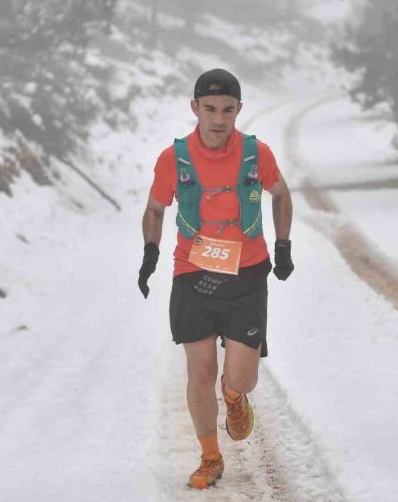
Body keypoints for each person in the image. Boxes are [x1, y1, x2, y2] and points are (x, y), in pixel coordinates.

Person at [137, 68, 294, 488]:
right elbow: (155, 209)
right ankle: (210, 456)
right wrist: (150, 253)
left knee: (242, 377)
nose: (218, 119)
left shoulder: (256, 154)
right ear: (195, 108)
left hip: (247, 273)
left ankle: (234, 395)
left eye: (227, 109)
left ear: (239, 110)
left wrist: (283, 245)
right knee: (200, 372)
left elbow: (281, 195)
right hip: (194, 273)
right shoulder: (173, 159)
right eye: (209, 109)